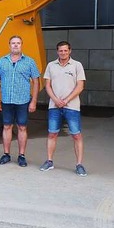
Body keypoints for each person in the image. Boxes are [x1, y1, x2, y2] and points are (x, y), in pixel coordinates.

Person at [39, 41, 87, 176]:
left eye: (66, 50)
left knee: (76, 135)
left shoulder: (77, 65)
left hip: (72, 107)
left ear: (70, 51)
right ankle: (49, 161)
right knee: (52, 133)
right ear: (57, 51)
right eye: (61, 51)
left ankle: (79, 164)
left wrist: (66, 100)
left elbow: (80, 86)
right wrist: (55, 100)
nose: (63, 53)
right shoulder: (51, 66)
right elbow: (47, 85)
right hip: (54, 106)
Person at [0, 35, 40, 167]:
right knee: (7, 126)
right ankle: (6, 154)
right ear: (9, 45)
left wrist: (34, 101)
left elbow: (36, 81)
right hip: (6, 100)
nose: (16, 45)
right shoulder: (2, 61)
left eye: (18, 43)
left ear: (22, 45)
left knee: (22, 127)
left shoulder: (29, 62)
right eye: (13, 43)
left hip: (23, 100)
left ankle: (21, 155)